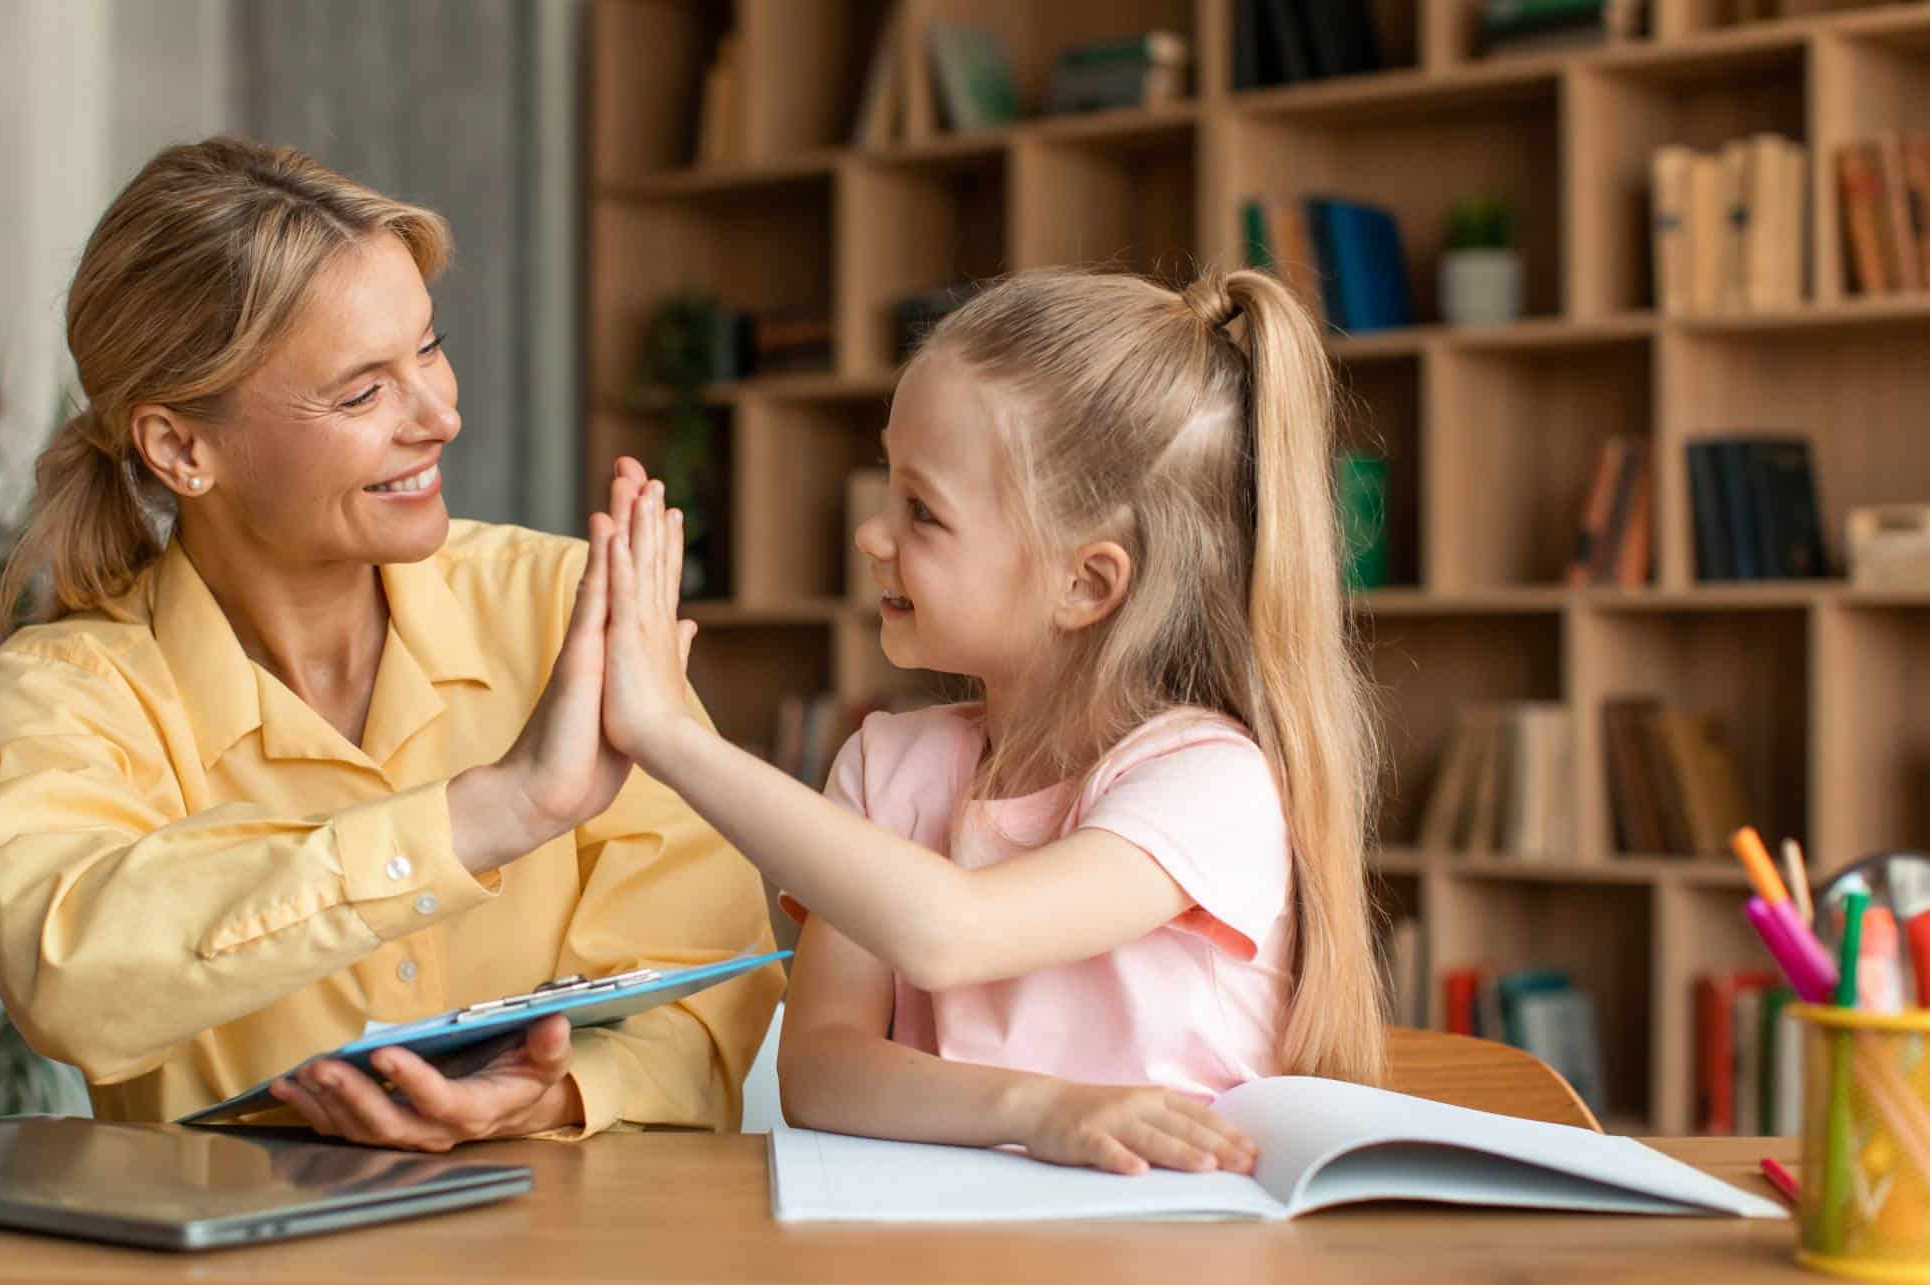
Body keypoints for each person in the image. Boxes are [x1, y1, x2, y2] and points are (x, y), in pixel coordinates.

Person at [0, 137, 779, 1148]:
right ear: (182, 449)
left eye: (428, 346)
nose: (442, 415)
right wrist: (490, 814)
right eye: (362, 391)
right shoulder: (65, 695)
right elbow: (69, 971)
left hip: (563, 1261)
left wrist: (550, 1093)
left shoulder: (563, 608)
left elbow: (707, 999)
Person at [584, 267, 1384, 1176]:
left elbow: (953, 933)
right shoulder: (887, 768)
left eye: (922, 512)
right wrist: (1037, 1110)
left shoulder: (1211, 782)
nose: (871, 535)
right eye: (887, 483)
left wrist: (668, 736)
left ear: (1084, 584)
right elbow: (819, 1070)